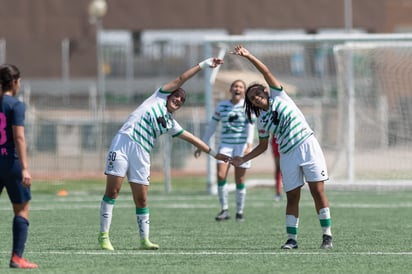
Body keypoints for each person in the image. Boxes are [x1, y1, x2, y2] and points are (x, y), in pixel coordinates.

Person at [98, 57, 230, 251]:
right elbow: (181, 78)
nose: (178, 100)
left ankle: (144, 240)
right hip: (123, 143)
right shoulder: (157, 97)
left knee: (142, 199)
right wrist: (204, 65)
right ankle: (103, 236)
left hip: (142, 154)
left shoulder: (170, 123)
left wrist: (214, 154)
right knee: (113, 191)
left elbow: (192, 138)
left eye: (182, 100)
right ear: (169, 95)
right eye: (177, 96)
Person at [230, 45, 333, 249]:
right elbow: (262, 147)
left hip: (307, 145)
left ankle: (327, 235)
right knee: (292, 196)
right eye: (252, 98)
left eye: (258, 92)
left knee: (317, 191)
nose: (256, 97)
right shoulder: (262, 121)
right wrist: (243, 159)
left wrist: (249, 55)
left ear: (265, 91)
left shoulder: (279, 96)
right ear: (252, 103)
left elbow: (265, 71)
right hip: (288, 155)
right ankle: (291, 239)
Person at [194, 79, 255, 222]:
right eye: (235, 86)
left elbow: (251, 126)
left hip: (241, 146)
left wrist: (249, 144)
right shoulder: (222, 106)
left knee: (239, 179)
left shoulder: (248, 106)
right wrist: (201, 144)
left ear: (244, 91)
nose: (237, 89)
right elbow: (212, 126)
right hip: (225, 145)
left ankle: (239, 212)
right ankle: (224, 209)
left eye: (240, 87)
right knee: (221, 176)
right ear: (231, 89)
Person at [0, 64, 38, 268]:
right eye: (19, 80)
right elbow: (19, 137)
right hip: (11, 163)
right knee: (21, 210)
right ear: (14, 82)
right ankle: (17, 258)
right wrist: (25, 167)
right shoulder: (16, 105)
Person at [271, 135, 282, 201]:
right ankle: (278, 192)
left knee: (290, 167)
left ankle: (291, 189)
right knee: (278, 168)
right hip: (276, 139)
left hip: (287, 138)